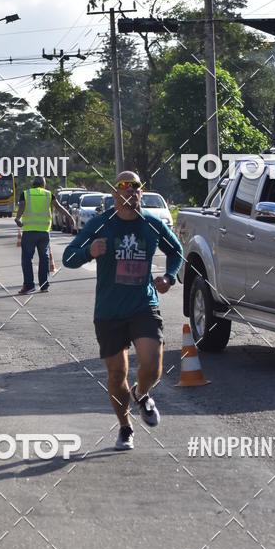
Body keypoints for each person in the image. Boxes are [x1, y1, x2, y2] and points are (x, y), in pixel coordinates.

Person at [62, 171, 183, 450]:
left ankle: (141, 393)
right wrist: (88, 251)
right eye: (123, 187)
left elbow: (176, 251)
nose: (129, 192)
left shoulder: (152, 224)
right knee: (117, 374)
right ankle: (125, 427)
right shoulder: (100, 224)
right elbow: (69, 257)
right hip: (109, 310)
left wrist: (169, 277)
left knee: (152, 363)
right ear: (114, 195)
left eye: (135, 187)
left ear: (141, 193)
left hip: (143, 304)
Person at [15, 176, 74, 294]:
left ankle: (29, 285)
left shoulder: (26, 194)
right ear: (43, 184)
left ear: (33, 184)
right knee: (44, 258)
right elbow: (59, 207)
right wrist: (69, 216)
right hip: (44, 232)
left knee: (27, 259)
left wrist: (17, 218)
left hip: (29, 231)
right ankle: (44, 285)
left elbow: (21, 206)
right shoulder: (48, 194)